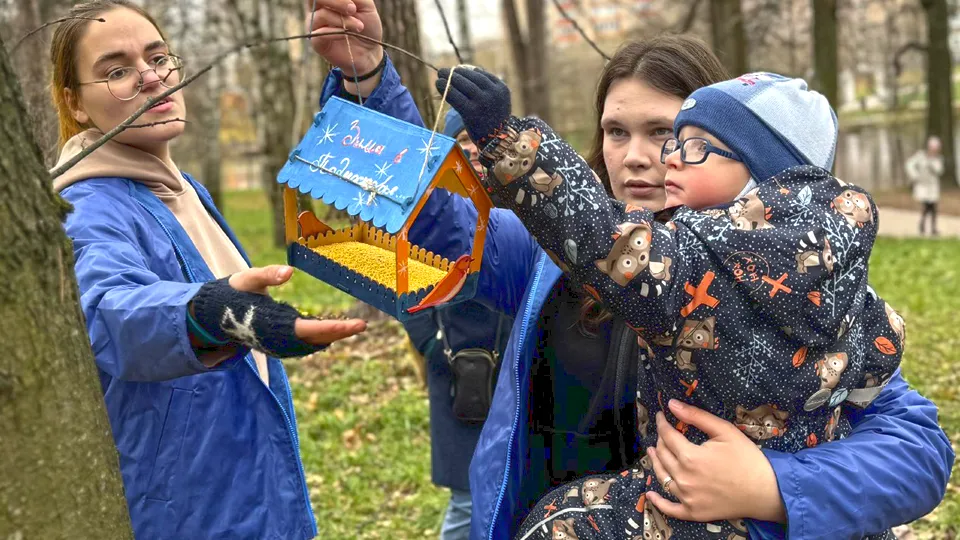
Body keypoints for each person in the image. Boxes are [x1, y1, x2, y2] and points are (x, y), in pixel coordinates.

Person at [305, 2, 953, 539]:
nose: (642, 157)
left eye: (668, 134)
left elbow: (918, 451)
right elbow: (431, 225)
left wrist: (771, 487)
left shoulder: (795, 283)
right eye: (617, 132)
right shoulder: (548, 247)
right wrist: (367, 82)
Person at [438, 66, 905, 538]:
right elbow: (883, 353)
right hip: (812, 523)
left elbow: (596, 232)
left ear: (762, 176)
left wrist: (508, 141)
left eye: (692, 145)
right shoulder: (848, 293)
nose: (668, 159)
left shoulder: (688, 267)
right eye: (618, 132)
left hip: (683, 514)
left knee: (556, 523)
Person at [49, 2, 366, 538]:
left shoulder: (177, 187)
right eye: (118, 70)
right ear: (75, 104)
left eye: (157, 57)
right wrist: (205, 313)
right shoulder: (91, 206)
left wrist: (360, 75)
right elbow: (108, 311)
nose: (151, 78)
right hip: (190, 507)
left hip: (248, 481)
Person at [401, 107, 513, 540]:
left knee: (515, 483)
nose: (470, 148)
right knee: (467, 498)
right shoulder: (430, 214)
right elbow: (407, 287)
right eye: (459, 139)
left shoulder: (522, 205)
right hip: (456, 375)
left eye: (477, 138)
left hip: (514, 369)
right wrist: (433, 345)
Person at [906, 135, 944, 236]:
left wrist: (931, 163)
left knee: (932, 207)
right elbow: (909, 164)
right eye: (933, 148)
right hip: (922, 186)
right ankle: (928, 227)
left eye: (936, 148)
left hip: (933, 187)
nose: (934, 150)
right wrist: (915, 176)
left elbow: (939, 171)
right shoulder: (920, 155)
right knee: (928, 206)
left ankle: (928, 227)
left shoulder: (938, 159)